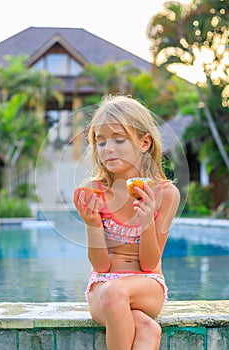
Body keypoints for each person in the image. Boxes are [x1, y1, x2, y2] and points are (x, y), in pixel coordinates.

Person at [74, 95, 180, 350]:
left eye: (119, 140)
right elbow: (101, 264)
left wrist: (146, 222)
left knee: (117, 291)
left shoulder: (165, 194)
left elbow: (149, 264)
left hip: (147, 287)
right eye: (100, 143)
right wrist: (92, 223)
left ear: (144, 142)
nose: (107, 149)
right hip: (102, 286)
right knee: (147, 329)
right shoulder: (93, 191)